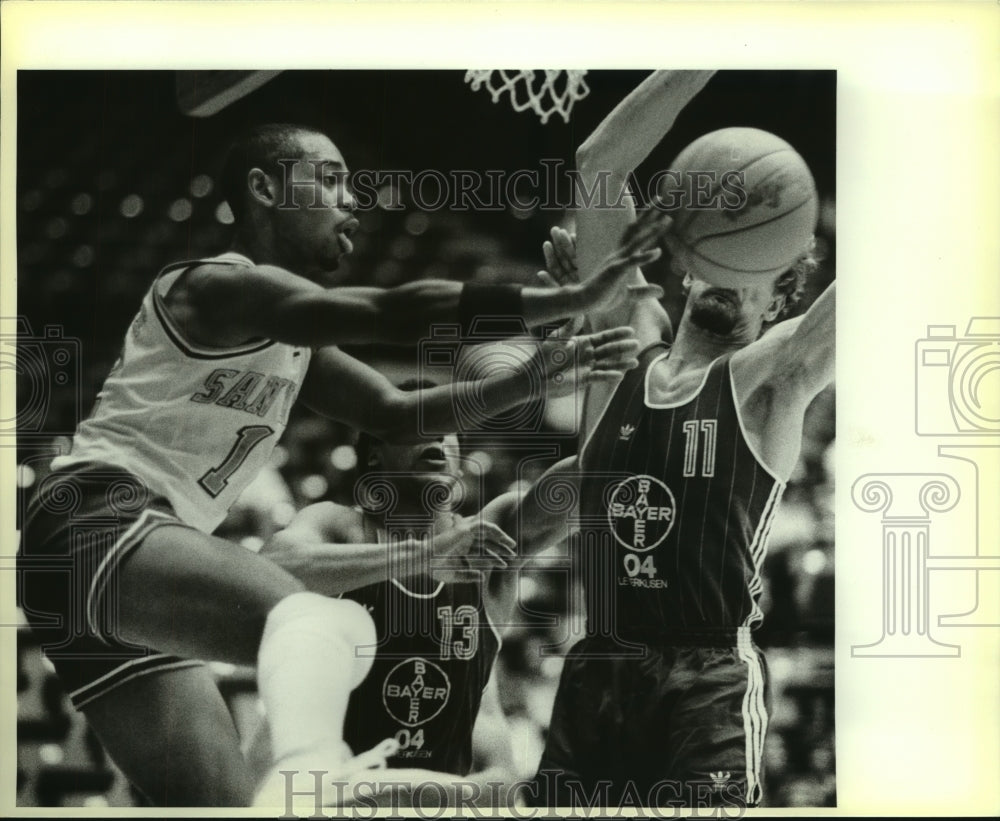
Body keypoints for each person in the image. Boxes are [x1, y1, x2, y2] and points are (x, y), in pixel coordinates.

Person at [16, 122, 665, 807]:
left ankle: (309, 789)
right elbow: (391, 310)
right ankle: (321, 777)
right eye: (328, 179)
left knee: (220, 806)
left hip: (91, 582)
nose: (350, 200)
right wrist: (569, 300)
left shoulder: (294, 347)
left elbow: (394, 411)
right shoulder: (215, 287)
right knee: (326, 626)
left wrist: (531, 379)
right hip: (93, 515)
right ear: (264, 189)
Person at [530, 72, 835, 808]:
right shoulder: (616, 347)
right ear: (688, 258)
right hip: (600, 659)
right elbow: (599, 162)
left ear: (781, 295)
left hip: (706, 677)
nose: (740, 275)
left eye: (764, 269)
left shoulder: (774, 379)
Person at [246, 377, 581, 809]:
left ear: (460, 463)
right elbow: (268, 571)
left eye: (446, 427)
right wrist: (423, 554)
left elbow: (500, 781)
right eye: (419, 426)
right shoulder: (336, 527)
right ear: (374, 455)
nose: (438, 436)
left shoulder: (488, 547)